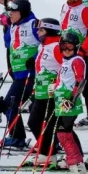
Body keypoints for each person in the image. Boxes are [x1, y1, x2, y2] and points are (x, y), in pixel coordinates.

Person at [48, 32, 88, 174]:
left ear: (76, 47)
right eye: (64, 46)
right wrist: (53, 87)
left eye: (70, 46)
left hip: (69, 104)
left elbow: (81, 82)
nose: (67, 50)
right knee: (65, 134)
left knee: (63, 135)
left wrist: (72, 100)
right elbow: (62, 80)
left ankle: (75, 171)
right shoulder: (65, 61)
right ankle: (79, 169)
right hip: (60, 102)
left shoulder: (77, 61)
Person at [1, 0, 39, 148]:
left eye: (13, 11)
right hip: (18, 73)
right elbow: (7, 43)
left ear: (22, 12)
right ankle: (17, 137)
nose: (10, 14)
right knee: (11, 104)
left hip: (31, 75)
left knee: (11, 103)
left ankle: (49, 142)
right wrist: (6, 27)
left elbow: (48, 43)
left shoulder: (33, 24)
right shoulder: (13, 25)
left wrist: (34, 59)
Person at [27, 18, 62, 165]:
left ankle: (49, 153)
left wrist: (58, 85)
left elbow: (66, 68)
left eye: (41, 30)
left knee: (50, 125)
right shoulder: (43, 46)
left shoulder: (56, 46)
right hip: (40, 91)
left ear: (49, 31)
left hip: (52, 94)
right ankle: (47, 152)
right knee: (34, 122)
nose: (38, 32)